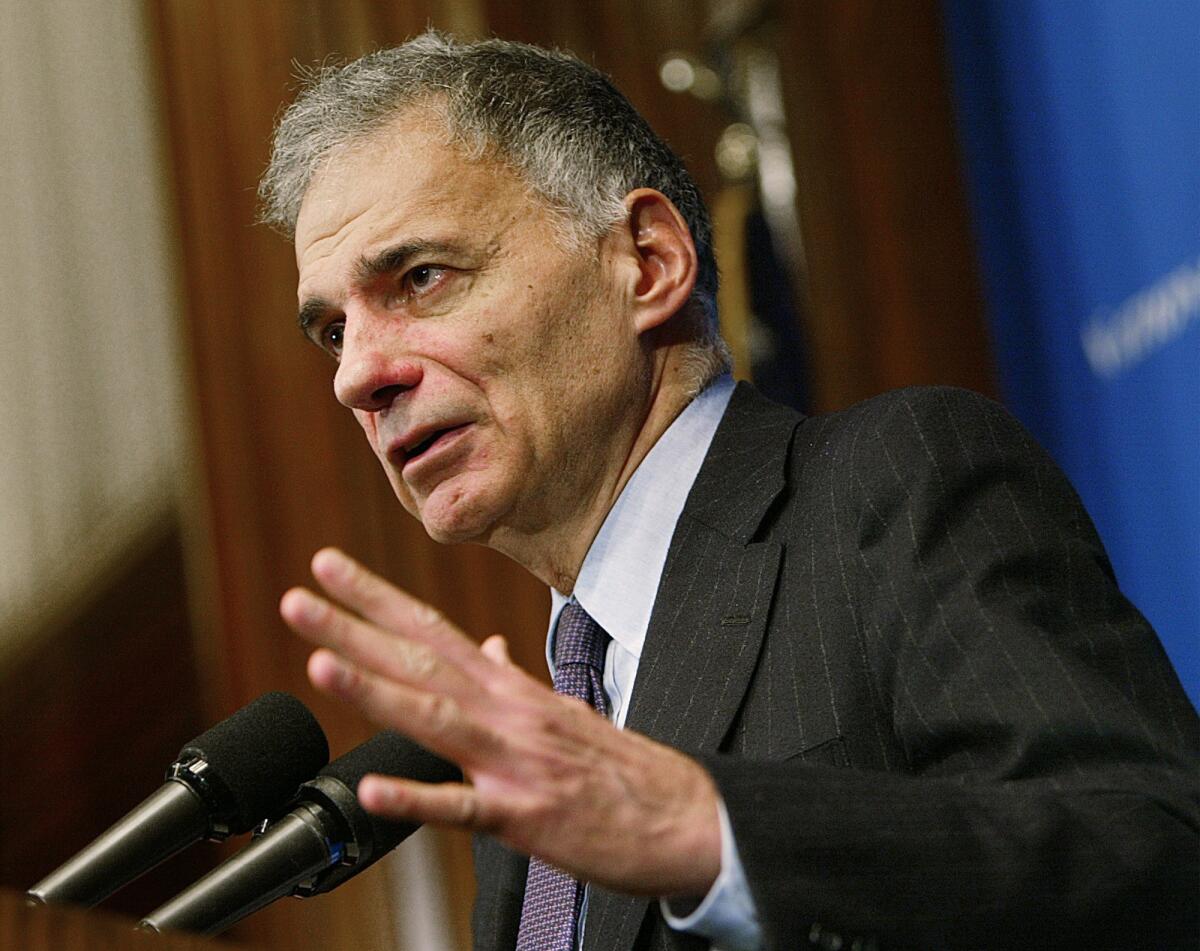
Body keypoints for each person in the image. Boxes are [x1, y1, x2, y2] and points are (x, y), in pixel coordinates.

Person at [264, 32, 1198, 951]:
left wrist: (714, 833)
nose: (359, 376)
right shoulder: (541, 752)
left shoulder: (892, 487)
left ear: (648, 261)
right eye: (335, 332)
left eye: (421, 278)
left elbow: (1154, 857)